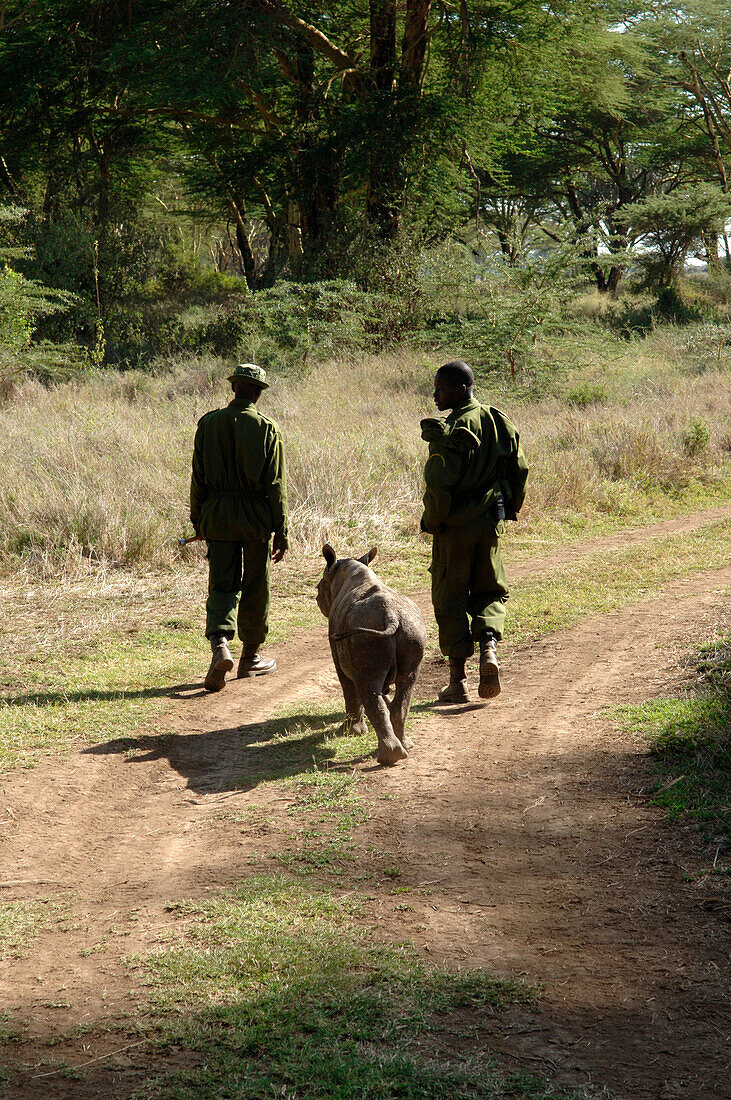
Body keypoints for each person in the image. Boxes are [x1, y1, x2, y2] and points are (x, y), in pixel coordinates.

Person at [420, 360, 528, 703]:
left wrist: (432, 521)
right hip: (489, 523)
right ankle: (489, 650)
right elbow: (520, 468)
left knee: (449, 595)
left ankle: (457, 681)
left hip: (454, 528)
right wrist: (507, 506)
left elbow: (439, 485)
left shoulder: (450, 429)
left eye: (441, 388)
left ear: (461, 388)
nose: (435, 394)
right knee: (489, 588)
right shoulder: (498, 419)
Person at [190, 363, 288, 692]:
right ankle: (250, 659)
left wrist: (199, 520)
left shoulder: (208, 423)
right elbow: (275, 485)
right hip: (255, 518)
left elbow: (198, 478)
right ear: (258, 392)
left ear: (234, 388)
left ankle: (220, 645)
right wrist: (281, 530)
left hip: (217, 516)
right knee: (256, 585)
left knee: (221, 585)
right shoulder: (266, 427)